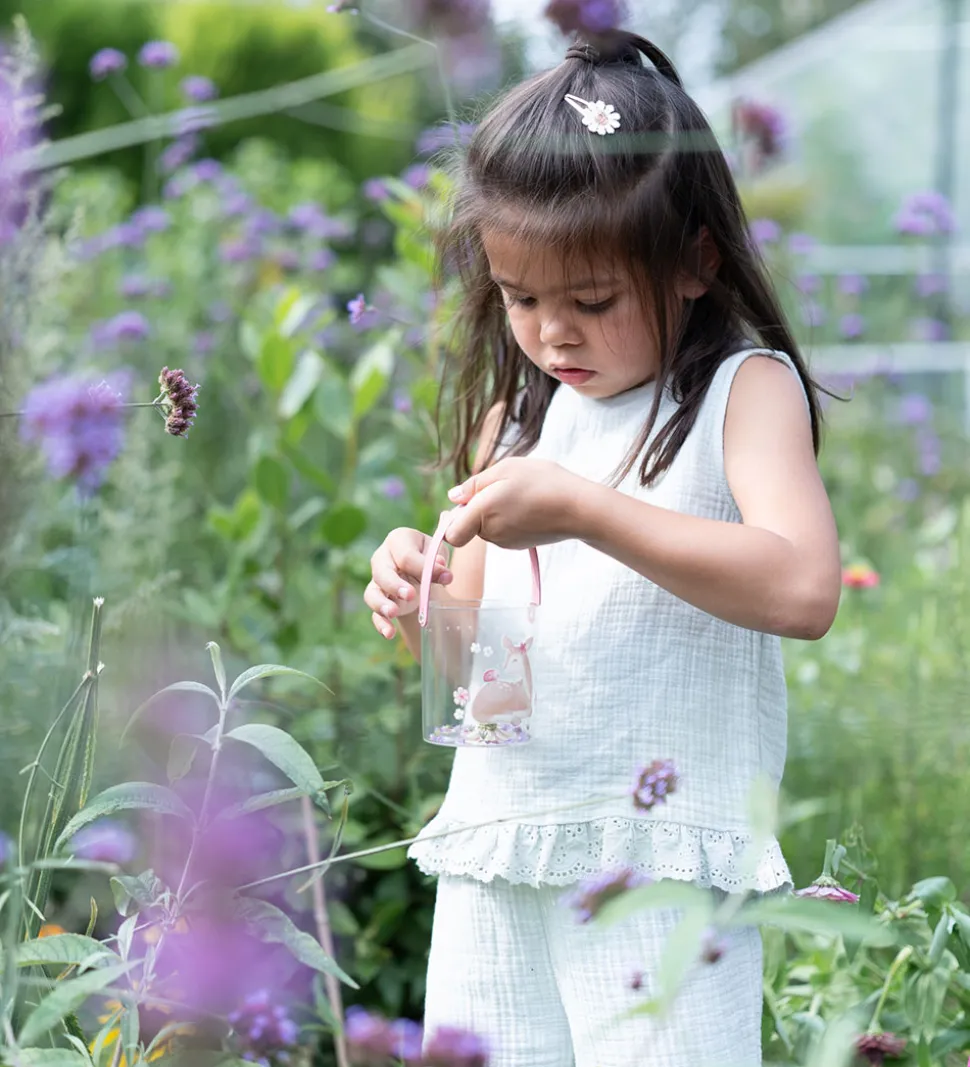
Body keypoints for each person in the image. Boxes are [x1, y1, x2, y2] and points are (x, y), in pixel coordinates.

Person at [364, 26, 841, 1067]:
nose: (551, 336)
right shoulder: (516, 424)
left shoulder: (737, 394)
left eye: (589, 302)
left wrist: (586, 511)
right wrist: (420, 601)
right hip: (500, 849)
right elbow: (473, 696)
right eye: (520, 298)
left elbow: (805, 589)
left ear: (692, 262)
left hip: (657, 860)